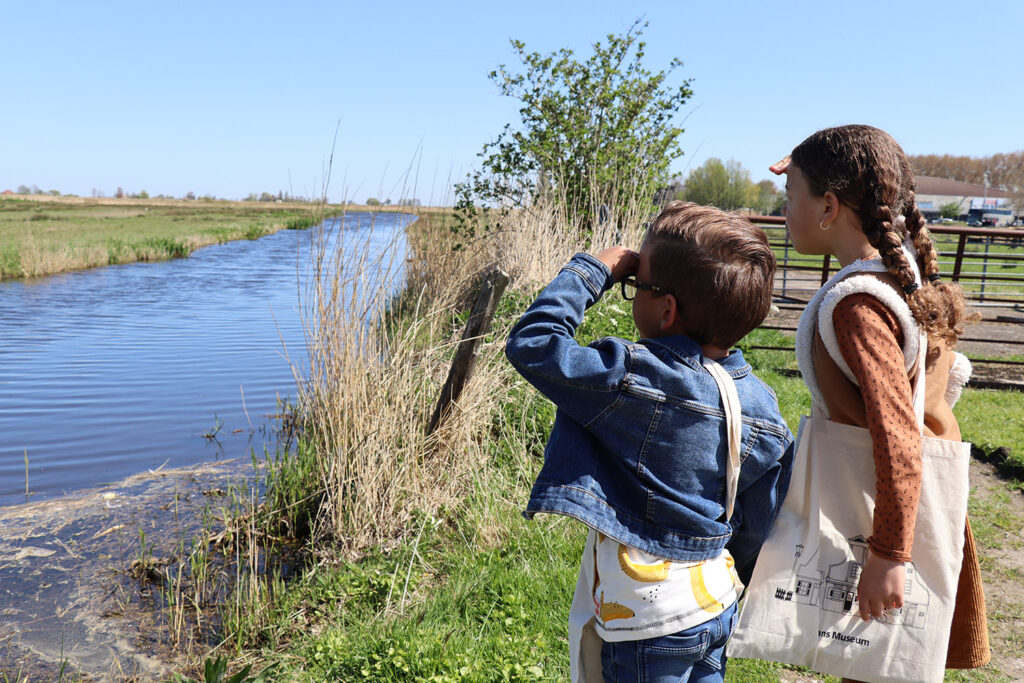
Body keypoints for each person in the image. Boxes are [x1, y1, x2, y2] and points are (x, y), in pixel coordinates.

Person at [505, 201, 795, 682]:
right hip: (714, 602)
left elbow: (534, 344)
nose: (631, 288)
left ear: (666, 311)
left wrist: (592, 270)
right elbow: (758, 519)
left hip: (648, 616)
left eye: (637, 284)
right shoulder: (762, 404)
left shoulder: (631, 376)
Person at [771, 124, 990, 676]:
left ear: (828, 206)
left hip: (883, 519)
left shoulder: (858, 307)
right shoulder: (903, 272)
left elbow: (897, 436)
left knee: (876, 664)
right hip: (904, 510)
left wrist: (889, 554)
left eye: (789, 196)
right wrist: (805, 166)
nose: (784, 210)